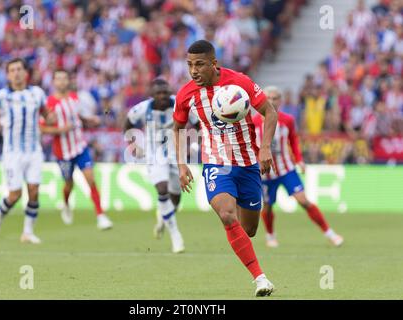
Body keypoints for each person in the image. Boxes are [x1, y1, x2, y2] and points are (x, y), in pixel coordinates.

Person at [173, 40, 278, 297]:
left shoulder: (239, 82)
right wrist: (181, 164)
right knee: (226, 214)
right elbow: (177, 129)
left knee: (249, 230)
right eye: (189, 65)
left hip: (248, 163)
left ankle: (242, 245)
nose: (194, 70)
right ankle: (261, 279)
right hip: (216, 162)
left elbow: (270, 112)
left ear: (214, 63)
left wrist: (265, 148)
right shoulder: (186, 94)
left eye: (199, 64)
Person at [251, 86, 344, 248]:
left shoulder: (287, 120)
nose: (272, 101)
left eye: (275, 98)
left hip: (286, 169)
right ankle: (270, 235)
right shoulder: (254, 121)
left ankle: (330, 233)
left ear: (280, 101)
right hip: (265, 173)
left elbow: (293, 140)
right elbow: (251, 144)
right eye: (269, 98)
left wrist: (299, 160)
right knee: (267, 206)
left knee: (303, 200)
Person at [0, 58, 52, 244]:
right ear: (8, 75)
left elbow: (46, 113)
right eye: (12, 70)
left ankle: (27, 232)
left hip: (34, 151)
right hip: (12, 152)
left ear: (26, 73)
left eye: (19, 69)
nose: (16, 73)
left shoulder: (37, 93)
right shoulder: (1, 96)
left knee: (33, 191)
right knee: (14, 195)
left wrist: (51, 118)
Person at [124, 78, 196, 253]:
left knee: (175, 200)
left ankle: (162, 217)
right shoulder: (142, 109)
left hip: (176, 155)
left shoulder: (180, 104)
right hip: (154, 155)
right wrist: (133, 145)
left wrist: (193, 145)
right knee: (162, 189)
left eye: (165, 92)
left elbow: (198, 124)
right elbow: (127, 124)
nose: (163, 96)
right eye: (159, 93)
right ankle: (175, 236)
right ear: (152, 95)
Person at [39, 69, 113, 230]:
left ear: (68, 81)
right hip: (63, 153)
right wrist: (61, 130)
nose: (62, 82)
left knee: (90, 179)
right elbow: (42, 128)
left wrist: (89, 119)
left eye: (64, 78)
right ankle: (66, 204)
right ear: (54, 82)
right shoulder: (49, 103)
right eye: (58, 79)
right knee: (68, 184)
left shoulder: (74, 97)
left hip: (80, 147)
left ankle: (101, 216)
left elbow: (78, 116)